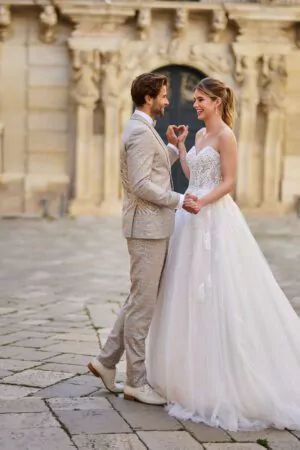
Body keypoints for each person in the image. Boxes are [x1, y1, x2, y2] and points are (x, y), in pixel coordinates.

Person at [147, 77, 300, 431]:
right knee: (183, 292)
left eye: (201, 100)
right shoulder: (200, 136)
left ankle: (226, 374)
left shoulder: (226, 136)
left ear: (217, 102)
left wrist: (203, 201)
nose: (196, 105)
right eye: (195, 99)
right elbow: (193, 174)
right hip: (191, 216)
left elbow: (229, 181)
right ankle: (184, 375)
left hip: (214, 217)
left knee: (218, 290)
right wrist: (183, 148)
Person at [88, 72, 198, 405]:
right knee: (143, 304)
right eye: (163, 96)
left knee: (139, 297)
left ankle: (106, 361)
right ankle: (135, 380)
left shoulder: (143, 129)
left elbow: (151, 169)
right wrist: (179, 199)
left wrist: (172, 148)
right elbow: (139, 184)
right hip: (145, 229)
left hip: (153, 227)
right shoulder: (138, 131)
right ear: (148, 98)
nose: (168, 100)